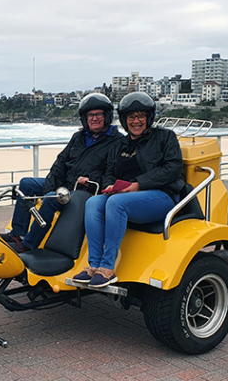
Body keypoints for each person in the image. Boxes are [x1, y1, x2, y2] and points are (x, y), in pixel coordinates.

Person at [74, 92, 185, 287]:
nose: (136, 121)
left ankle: (107, 268)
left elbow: (172, 169)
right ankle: (94, 265)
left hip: (161, 196)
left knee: (116, 203)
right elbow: (109, 171)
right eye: (131, 117)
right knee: (92, 202)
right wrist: (110, 185)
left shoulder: (165, 137)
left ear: (149, 117)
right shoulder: (120, 144)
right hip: (126, 195)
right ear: (124, 120)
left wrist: (138, 184)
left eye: (141, 116)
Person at [1, 93, 123, 253]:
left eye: (98, 114)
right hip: (65, 184)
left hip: (85, 191)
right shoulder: (78, 137)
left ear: (107, 116)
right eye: (90, 115)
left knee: (52, 198)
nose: (94, 118)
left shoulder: (117, 141)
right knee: (26, 184)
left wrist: (91, 181)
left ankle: (29, 244)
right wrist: (47, 190)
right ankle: (18, 233)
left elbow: (113, 172)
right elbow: (59, 164)